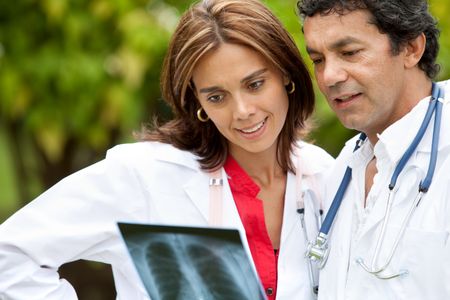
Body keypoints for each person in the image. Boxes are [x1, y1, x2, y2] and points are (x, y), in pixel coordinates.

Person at [0, 0, 334, 299]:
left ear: (287, 75)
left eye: (255, 84)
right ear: (198, 101)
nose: (242, 111)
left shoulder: (324, 175)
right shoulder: (144, 175)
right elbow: (10, 254)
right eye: (217, 96)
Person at [296, 0, 450, 299]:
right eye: (318, 59)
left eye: (349, 53)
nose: (329, 77)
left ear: (411, 48)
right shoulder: (343, 167)